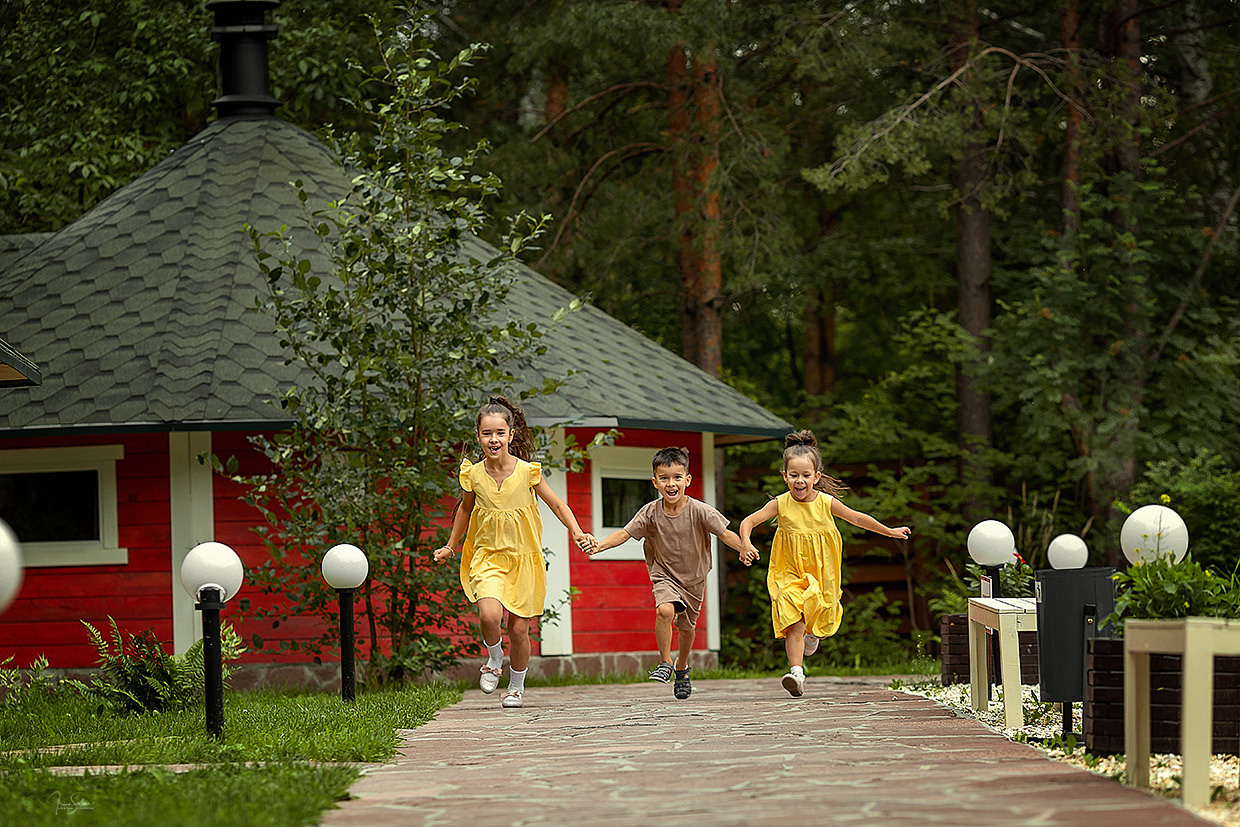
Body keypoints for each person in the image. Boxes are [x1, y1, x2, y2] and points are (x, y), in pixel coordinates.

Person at [433, 396, 595, 709]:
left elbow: (557, 504)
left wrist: (577, 531)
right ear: (478, 436)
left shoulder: (527, 472)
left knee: (519, 630)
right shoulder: (473, 475)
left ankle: (516, 688)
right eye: (487, 433)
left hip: (524, 559)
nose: (493, 439)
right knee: (489, 615)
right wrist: (450, 546)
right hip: (487, 556)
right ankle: (495, 657)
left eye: (499, 433)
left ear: (511, 435)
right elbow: (465, 510)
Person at [739, 430, 911, 698]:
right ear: (784, 476)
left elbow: (857, 518)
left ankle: (812, 635)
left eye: (806, 475)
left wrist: (889, 531)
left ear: (816, 477)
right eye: (793, 475)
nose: (799, 480)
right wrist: (746, 543)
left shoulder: (827, 503)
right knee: (793, 616)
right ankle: (796, 673)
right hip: (788, 571)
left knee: (820, 614)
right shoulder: (780, 504)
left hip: (822, 572)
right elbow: (748, 521)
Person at [589, 446, 754, 700]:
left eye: (677, 477)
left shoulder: (700, 510)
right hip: (664, 573)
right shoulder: (650, 513)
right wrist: (600, 545)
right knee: (664, 611)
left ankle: (682, 666)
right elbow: (624, 533)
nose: (671, 483)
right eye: (664, 478)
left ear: (687, 480)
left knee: (687, 628)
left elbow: (724, 534)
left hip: (694, 578)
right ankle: (665, 661)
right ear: (655, 482)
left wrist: (744, 547)